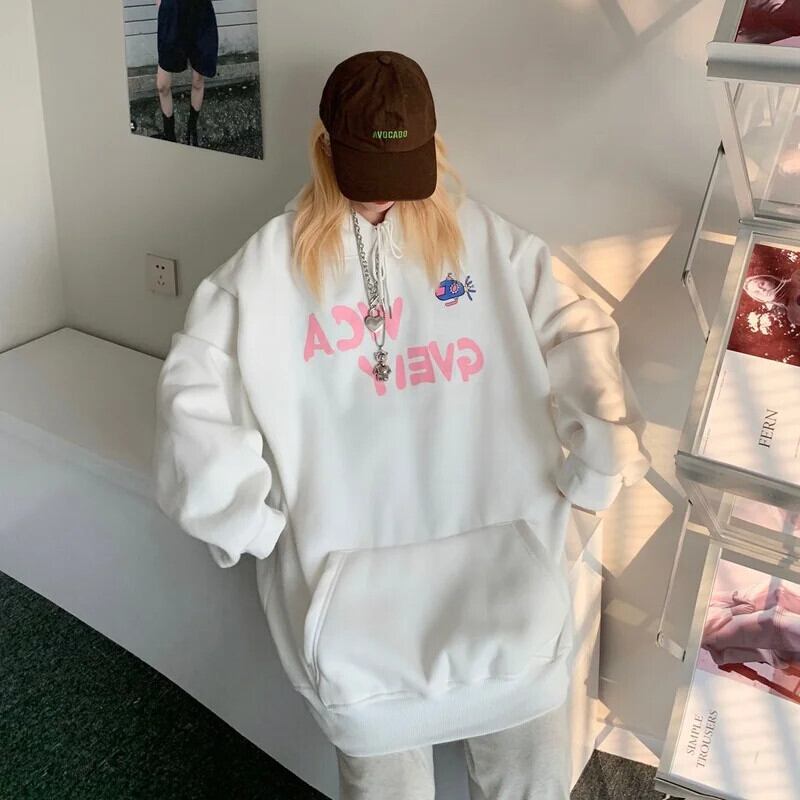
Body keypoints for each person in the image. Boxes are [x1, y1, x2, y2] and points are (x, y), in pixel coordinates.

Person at [152, 50, 652, 799]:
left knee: (531, 784)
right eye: (365, 174)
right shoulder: (266, 270)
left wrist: (599, 468)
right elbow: (193, 391)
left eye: (402, 173)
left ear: (433, 149)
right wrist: (250, 524)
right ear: (324, 149)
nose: (382, 197)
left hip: (507, 602)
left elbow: (581, 334)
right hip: (357, 636)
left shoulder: (490, 247)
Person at [154, 0, 218, 145]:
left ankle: (191, 131)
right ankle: (170, 136)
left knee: (198, 80)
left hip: (199, 12)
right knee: (162, 86)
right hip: (172, 10)